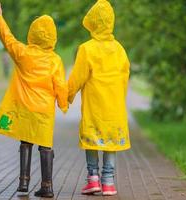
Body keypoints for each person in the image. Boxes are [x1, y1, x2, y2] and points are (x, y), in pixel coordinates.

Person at [0, 3, 68, 198]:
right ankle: (47, 186)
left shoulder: (23, 54)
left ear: (32, 34)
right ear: (53, 36)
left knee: (25, 141)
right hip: (44, 111)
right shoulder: (55, 60)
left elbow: (8, 40)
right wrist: (63, 103)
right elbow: (60, 85)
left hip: (25, 108)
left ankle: (23, 183)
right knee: (45, 145)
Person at [68, 0, 130, 196]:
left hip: (94, 106)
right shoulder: (119, 49)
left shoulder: (86, 49)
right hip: (114, 106)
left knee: (93, 139)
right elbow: (125, 75)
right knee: (110, 141)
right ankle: (109, 182)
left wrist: (67, 96)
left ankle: (93, 179)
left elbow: (77, 77)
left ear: (93, 23)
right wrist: (120, 95)